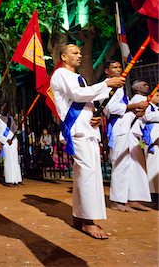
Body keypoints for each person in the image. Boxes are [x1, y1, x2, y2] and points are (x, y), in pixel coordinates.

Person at [50, 44, 125, 239]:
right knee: (88, 174)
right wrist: (107, 84)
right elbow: (78, 95)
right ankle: (88, 221)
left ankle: (79, 216)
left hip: (87, 129)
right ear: (64, 57)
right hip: (77, 131)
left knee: (84, 174)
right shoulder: (60, 74)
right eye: (75, 52)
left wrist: (95, 115)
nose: (80, 55)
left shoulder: (79, 78)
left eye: (80, 52)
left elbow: (87, 101)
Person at [103, 62, 150, 212]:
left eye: (119, 67)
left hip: (126, 128)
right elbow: (110, 108)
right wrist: (131, 107)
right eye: (114, 67)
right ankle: (117, 201)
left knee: (131, 165)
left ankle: (131, 198)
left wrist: (137, 112)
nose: (118, 69)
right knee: (120, 164)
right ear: (106, 71)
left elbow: (124, 108)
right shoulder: (108, 85)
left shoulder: (120, 88)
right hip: (117, 129)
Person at [123, 80, 153, 210]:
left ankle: (136, 198)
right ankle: (131, 199)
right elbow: (148, 117)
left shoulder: (142, 99)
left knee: (137, 169)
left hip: (134, 136)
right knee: (133, 168)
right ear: (137, 88)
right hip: (130, 135)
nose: (147, 86)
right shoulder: (139, 99)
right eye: (144, 85)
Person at [0, 103, 22, 186]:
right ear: (1, 109)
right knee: (8, 161)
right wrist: (5, 140)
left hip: (13, 141)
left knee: (15, 160)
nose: (6, 109)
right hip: (6, 143)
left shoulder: (11, 119)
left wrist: (19, 127)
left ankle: (16, 179)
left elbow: (15, 129)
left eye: (7, 107)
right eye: (4, 107)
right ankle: (9, 180)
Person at [142, 90, 159, 207]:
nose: (158, 98)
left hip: (156, 137)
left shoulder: (156, 108)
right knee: (153, 165)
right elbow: (147, 116)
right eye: (157, 95)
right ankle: (154, 196)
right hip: (151, 139)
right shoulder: (147, 106)